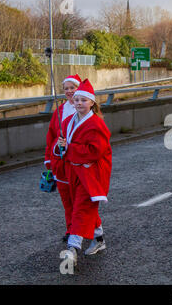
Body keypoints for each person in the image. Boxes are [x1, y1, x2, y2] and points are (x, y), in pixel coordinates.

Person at [54, 79, 112, 266]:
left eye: (83, 100)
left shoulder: (97, 124)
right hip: (74, 171)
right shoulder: (69, 121)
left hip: (91, 173)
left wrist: (70, 149)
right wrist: (60, 147)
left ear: (92, 103)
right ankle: (99, 240)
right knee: (87, 207)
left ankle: (72, 248)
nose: (79, 103)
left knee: (80, 208)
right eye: (76, 100)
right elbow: (62, 144)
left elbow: (95, 151)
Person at [44, 74, 81, 242]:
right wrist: (49, 159)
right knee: (67, 200)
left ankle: (92, 229)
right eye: (66, 88)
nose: (69, 91)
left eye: (72, 87)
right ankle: (71, 229)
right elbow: (51, 136)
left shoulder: (84, 108)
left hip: (78, 164)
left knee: (82, 200)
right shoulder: (59, 111)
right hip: (61, 164)